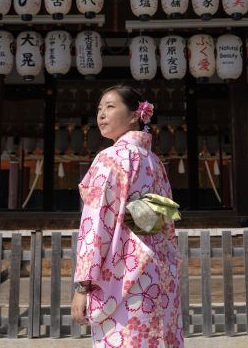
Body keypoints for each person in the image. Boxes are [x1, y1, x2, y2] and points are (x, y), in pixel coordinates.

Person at [71, 85, 184, 347]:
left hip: (123, 275)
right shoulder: (154, 161)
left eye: (110, 107)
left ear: (135, 115)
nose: (101, 115)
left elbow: (96, 224)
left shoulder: (110, 158)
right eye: (99, 109)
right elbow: (166, 225)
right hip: (158, 271)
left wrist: (83, 286)